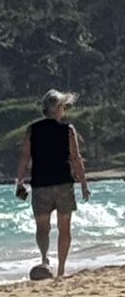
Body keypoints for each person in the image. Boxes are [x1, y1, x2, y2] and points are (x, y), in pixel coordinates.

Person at [16, 89, 91, 279]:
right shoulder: (68, 130)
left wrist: (20, 181)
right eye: (62, 107)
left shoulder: (33, 129)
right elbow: (76, 158)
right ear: (57, 109)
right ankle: (61, 269)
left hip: (41, 184)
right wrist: (83, 183)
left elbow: (25, 156)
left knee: (42, 227)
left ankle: (44, 259)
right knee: (64, 228)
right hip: (64, 184)